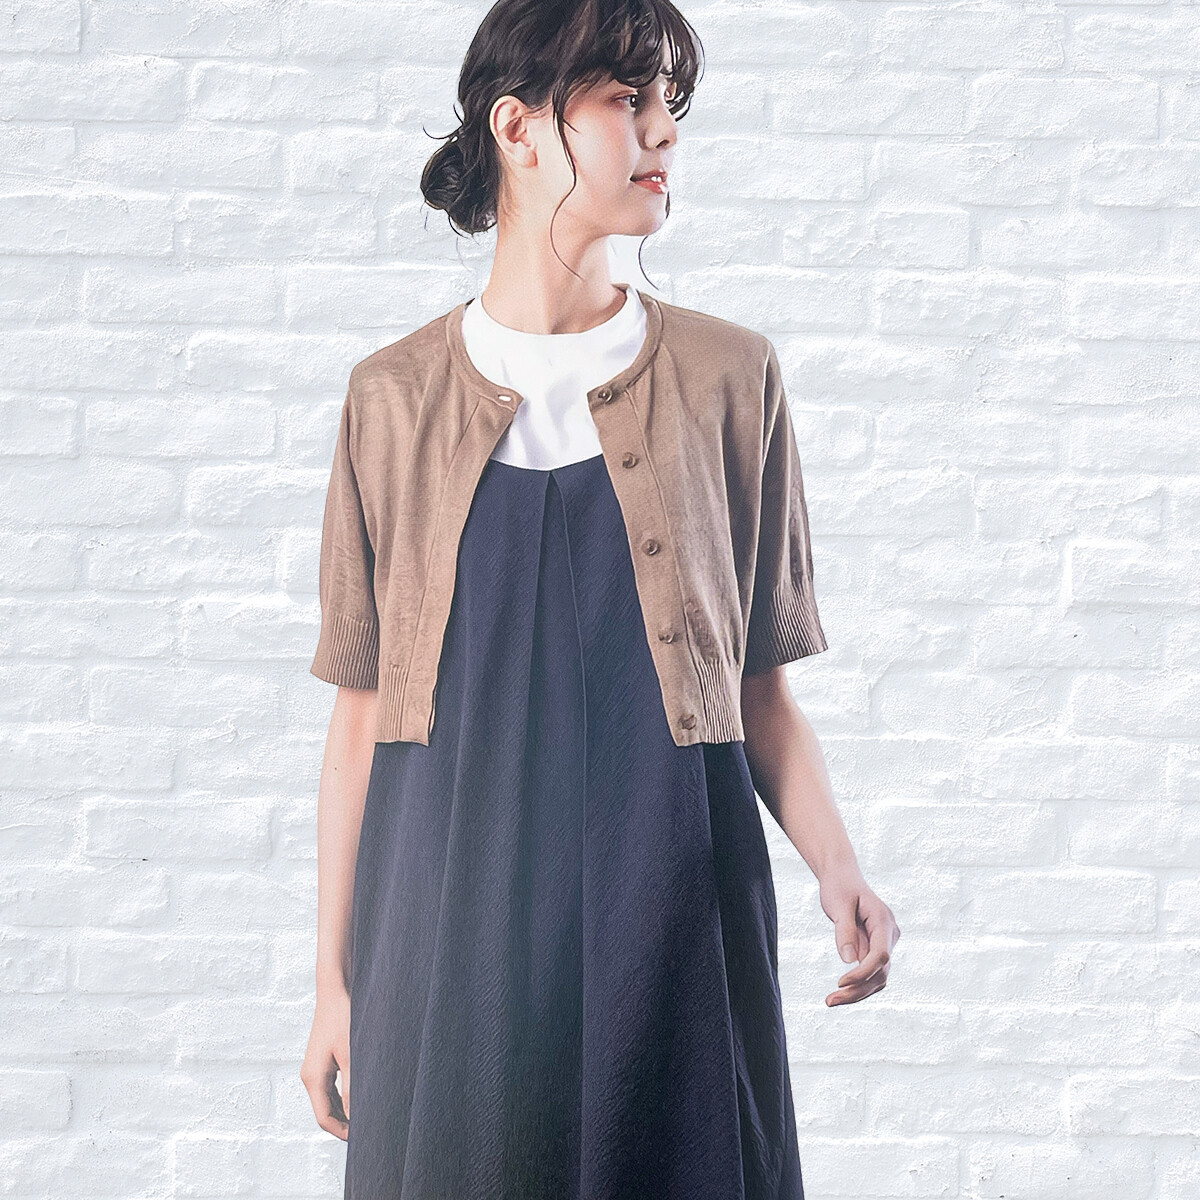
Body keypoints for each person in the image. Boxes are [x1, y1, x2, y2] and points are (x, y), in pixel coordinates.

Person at [301, 1, 900, 1196]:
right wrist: (333, 982)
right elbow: (362, 718)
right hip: (450, 906)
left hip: (674, 895)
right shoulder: (391, 399)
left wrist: (840, 869)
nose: (663, 131)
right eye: (627, 100)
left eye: (671, 103)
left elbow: (758, 693)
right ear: (518, 128)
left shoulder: (731, 378)